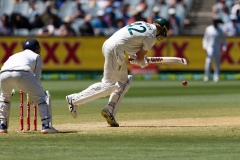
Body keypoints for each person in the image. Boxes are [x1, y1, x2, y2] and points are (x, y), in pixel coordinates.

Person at [66, 18, 170, 127]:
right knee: (108, 86)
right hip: (116, 49)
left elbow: (130, 45)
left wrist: (138, 59)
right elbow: (139, 58)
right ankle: (74, 99)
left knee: (124, 82)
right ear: (163, 30)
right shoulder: (152, 36)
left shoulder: (141, 23)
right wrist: (142, 62)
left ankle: (110, 110)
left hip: (110, 45)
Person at [0, 38, 58, 134]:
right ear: (36, 48)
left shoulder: (14, 55)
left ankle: (2, 126)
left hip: (3, 73)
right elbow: (37, 79)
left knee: (4, 97)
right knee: (42, 97)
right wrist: (33, 95)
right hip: (22, 72)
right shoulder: (36, 57)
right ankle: (46, 126)